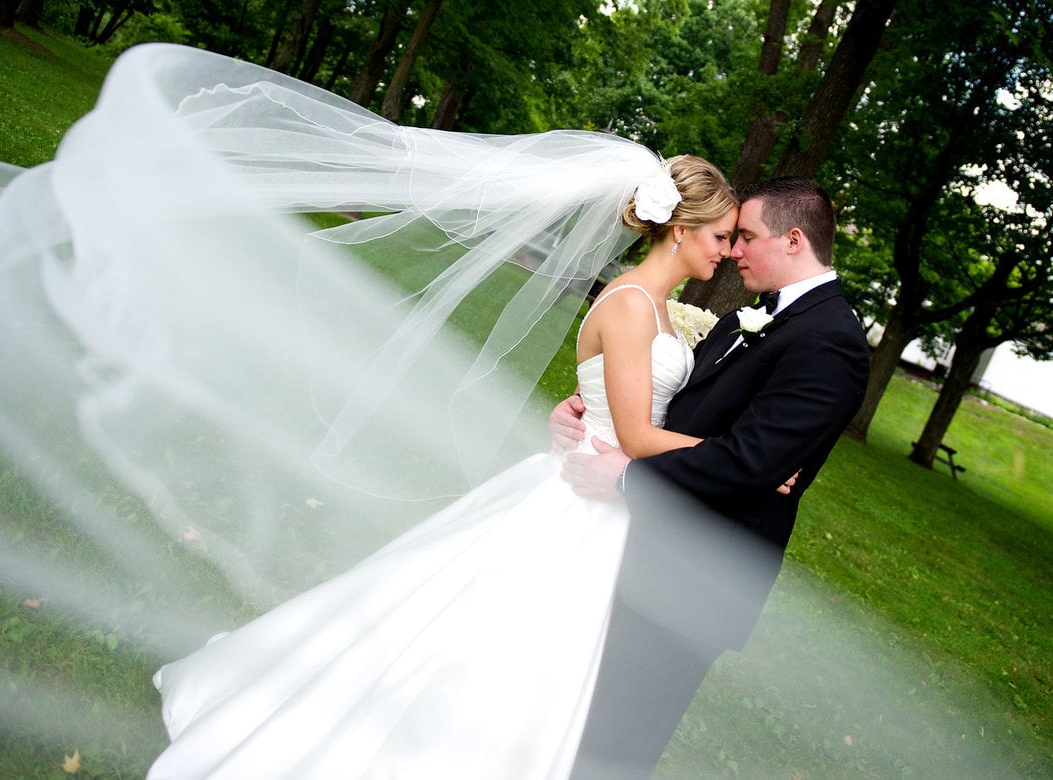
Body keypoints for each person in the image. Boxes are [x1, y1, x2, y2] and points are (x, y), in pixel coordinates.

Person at [146, 154, 739, 778]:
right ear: (681, 228)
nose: (727, 251)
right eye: (721, 236)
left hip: (601, 492)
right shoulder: (629, 304)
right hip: (583, 496)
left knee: (531, 655)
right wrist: (743, 461)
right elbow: (637, 435)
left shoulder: (652, 307)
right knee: (481, 640)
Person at [552, 176, 871, 779]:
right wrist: (585, 402)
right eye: (730, 236)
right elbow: (673, 405)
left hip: (693, 582)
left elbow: (752, 462)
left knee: (615, 747)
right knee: (571, 714)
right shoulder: (751, 315)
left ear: (794, 239)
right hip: (642, 547)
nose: (734, 250)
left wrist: (626, 478)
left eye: (746, 236)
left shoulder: (830, 342)